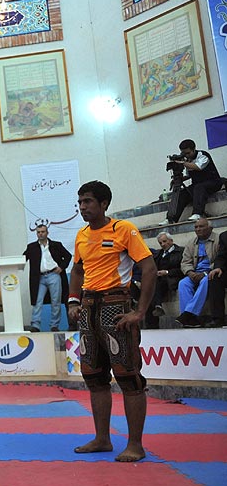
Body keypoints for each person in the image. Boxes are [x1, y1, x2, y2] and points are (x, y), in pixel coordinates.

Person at [67, 180, 155, 463]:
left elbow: (149, 268)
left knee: (128, 376)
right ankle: (102, 439)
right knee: (93, 376)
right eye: (80, 202)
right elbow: (77, 270)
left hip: (117, 306)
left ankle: (135, 445)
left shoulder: (124, 230)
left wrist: (139, 312)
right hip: (89, 309)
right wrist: (73, 300)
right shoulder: (81, 235)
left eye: (88, 201)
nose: (83, 207)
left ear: (104, 204)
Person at [23, 224, 71, 332]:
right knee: (37, 301)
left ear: (47, 232)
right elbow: (22, 258)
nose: (40, 234)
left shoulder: (56, 245)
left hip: (54, 275)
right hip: (39, 278)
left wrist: (62, 267)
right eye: (38, 232)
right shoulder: (32, 247)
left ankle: (54, 325)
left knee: (56, 301)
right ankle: (35, 325)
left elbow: (68, 256)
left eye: (42, 232)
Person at [162, 139, 223, 224]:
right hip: (198, 185)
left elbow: (198, 167)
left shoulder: (203, 155)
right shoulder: (187, 160)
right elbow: (189, 175)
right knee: (182, 193)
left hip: (213, 182)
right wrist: (179, 179)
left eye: (188, 153)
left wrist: (182, 163)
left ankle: (197, 213)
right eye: (184, 153)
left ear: (194, 149)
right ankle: (171, 219)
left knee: (199, 187)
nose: (186, 155)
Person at [175, 217, 218, 328]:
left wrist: (205, 273)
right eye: (196, 227)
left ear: (210, 228)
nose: (198, 229)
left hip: (210, 272)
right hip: (194, 273)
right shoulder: (191, 243)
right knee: (183, 283)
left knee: (206, 280)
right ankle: (190, 320)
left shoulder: (218, 240)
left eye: (201, 226)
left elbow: (220, 260)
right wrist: (190, 273)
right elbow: (185, 262)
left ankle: (188, 314)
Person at [143, 232, 184, 328]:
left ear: (171, 240)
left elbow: (182, 269)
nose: (163, 244)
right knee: (149, 290)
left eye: (164, 241)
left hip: (172, 278)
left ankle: (158, 306)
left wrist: (167, 272)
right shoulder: (158, 254)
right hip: (159, 279)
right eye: (160, 243)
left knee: (152, 287)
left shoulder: (181, 252)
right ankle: (152, 325)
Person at [206, 231, 227, 328]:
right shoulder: (224, 236)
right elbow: (221, 256)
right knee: (214, 276)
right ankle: (217, 319)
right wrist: (218, 267)